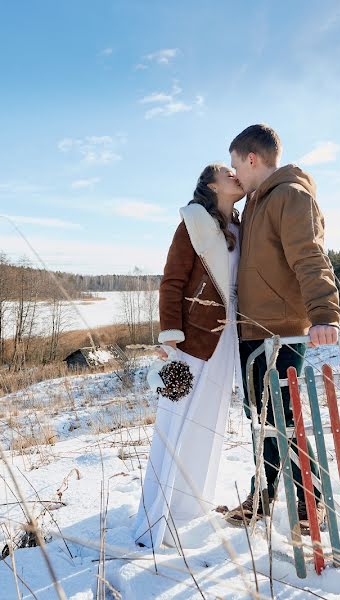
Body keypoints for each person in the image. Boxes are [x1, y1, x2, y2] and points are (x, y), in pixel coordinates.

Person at [222, 124, 340, 530]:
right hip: (253, 330)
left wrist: (325, 314)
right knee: (264, 420)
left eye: (236, 164)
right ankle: (263, 495)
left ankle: (312, 503)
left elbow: (310, 255)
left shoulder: (290, 195)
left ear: (251, 158)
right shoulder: (256, 202)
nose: (235, 173)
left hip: (281, 330)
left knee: (283, 418)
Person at [133, 163, 245, 549]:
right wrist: (171, 337)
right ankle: (160, 516)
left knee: (209, 421)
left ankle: (191, 507)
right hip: (193, 337)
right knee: (179, 419)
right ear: (212, 185)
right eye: (228, 173)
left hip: (227, 337)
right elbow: (172, 281)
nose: (236, 176)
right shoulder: (193, 222)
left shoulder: (240, 228)